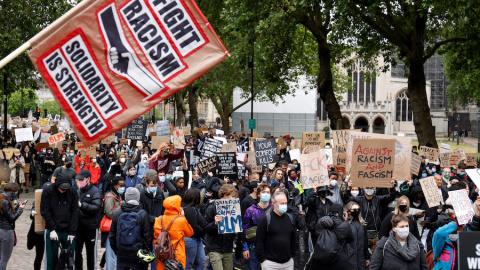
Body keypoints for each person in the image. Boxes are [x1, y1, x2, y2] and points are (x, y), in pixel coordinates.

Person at [41, 174, 79, 270]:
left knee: (68, 261)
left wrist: (72, 232)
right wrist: (52, 229)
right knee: (51, 260)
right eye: (61, 189)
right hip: (53, 229)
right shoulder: (48, 191)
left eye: (65, 189)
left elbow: (75, 211)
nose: (63, 191)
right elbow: (45, 211)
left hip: (68, 230)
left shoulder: (73, 191)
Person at [109, 187, 151, 270]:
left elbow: (112, 236)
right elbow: (147, 237)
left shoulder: (117, 213)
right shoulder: (143, 214)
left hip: (122, 254)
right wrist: (146, 252)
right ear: (138, 198)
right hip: (138, 255)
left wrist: (117, 251)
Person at [255, 191, 296, 270]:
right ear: (274, 203)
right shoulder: (265, 219)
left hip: (288, 263)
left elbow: (294, 238)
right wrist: (263, 260)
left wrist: (292, 255)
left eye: (285, 203)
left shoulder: (290, 218)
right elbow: (259, 241)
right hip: (270, 263)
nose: (284, 205)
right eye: (282, 203)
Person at [154, 195, 194, 270]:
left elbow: (155, 238)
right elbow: (190, 233)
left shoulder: (159, 219)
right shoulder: (181, 221)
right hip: (176, 258)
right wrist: (183, 217)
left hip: (162, 256)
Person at [204, 184, 238, 270]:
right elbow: (205, 228)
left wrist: (236, 230)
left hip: (227, 248)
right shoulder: (212, 208)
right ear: (225, 195)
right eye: (232, 196)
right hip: (215, 248)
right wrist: (215, 223)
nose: (233, 199)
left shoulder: (234, 209)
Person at [310, 203, 353, 270]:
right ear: (342, 213)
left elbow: (317, 233)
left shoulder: (321, 222)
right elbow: (351, 239)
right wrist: (345, 220)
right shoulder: (345, 225)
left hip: (320, 257)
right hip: (339, 257)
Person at [75, 170, 102, 270]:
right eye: (79, 180)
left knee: (91, 254)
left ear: (88, 179)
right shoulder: (78, 191)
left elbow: (96, 208)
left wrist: (82, 205)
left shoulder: (95, 191)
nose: (80, 182)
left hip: (91, 228)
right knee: (77, 253)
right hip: (78, 228)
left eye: (82, 180)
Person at [242, 183, 273, 270]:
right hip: (253, 248)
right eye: (264, 192)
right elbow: (245, 229)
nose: (266, 194)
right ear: (258, 194)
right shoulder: (250, 210)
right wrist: (245, 248)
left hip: (270, 248)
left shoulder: (274, 210)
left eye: (268, 192)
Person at [0, 183, 26, 270]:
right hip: (6, 232)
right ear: (13, 191)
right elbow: (11, 218)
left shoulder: (1, 198)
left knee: (1, 258)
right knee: (4, 259)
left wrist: (17, 207)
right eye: (16, 192)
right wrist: (21, 209)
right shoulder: (5, 201)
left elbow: (6, 213)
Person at [182, 188, 207, 270]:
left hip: (196, 239)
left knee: (201, 261)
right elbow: (194, 227)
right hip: (190, 239)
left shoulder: (192, 208)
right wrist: (204, 232)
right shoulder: (190, 210)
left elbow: (202, 222)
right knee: (188, 264)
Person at [103, 176, 125, 270]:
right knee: (110, 254)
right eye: (121, 186)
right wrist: (121, 207)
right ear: (115, 186)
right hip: (111, 229)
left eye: (123, 185)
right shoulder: (110, 197)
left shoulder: (118, 195)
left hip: (118, 228)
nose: (122, 187)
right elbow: (109, 213)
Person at [344, 201, 369, 270]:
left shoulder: (361, 224)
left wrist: (367, 257)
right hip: (349, 259)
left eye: (358, 209)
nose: (356, 211)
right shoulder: (345, 224)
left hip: (361, 259)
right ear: (348, 211)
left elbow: (365, 241)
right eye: (354, 210)